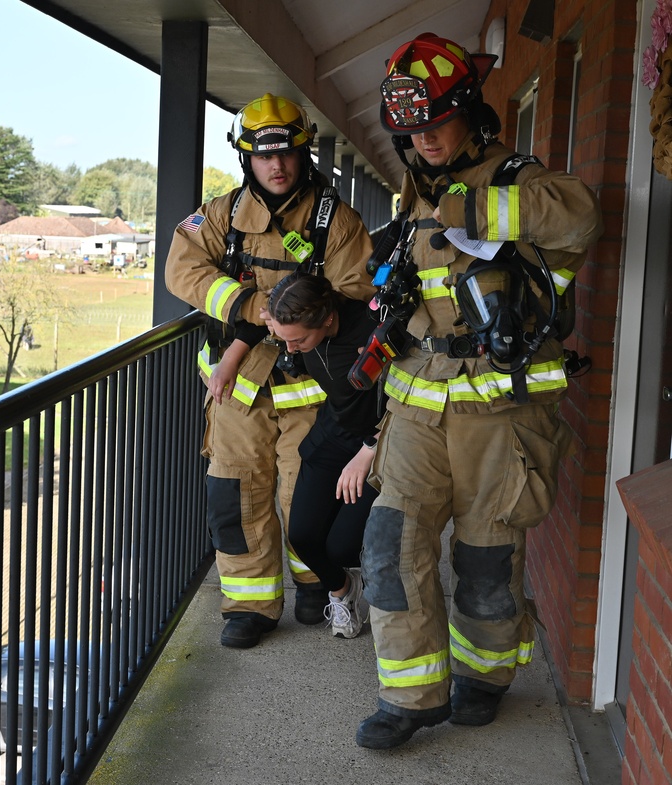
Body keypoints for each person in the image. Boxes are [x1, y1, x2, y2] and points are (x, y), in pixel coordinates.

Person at [354, 33, 603, 749]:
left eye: (436, 122)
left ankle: (486, 675)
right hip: (416, 406)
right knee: (389, 542)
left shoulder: (514, 179)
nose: (424, 138)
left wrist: (470, 212)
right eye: (412, 129)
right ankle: (409, 695)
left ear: (469, 111)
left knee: (486, 557)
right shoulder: (416, 190)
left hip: (501, 411)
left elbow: (581, 214)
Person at [165, 93, 375, 649]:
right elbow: (182, 268)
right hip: (236, 392)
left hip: (309, 389)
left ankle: (314, 585)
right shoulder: (220, 216)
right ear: (246, 158)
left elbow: (355, 293)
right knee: (237, 497)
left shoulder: (338, 221)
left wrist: (291, 309)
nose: (276, 166)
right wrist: (246, 304)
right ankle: (250, 605)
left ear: (303, 152)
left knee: (304, 493)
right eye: (262, 155)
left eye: (286, 154)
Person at [262, 271, 382, 639]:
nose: (291, 350)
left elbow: (406, 399)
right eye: (284, 340)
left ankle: (358, 577)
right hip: (333, 433)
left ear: (326, 318)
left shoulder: (371, 329)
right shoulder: (296, 333)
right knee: (302, 536)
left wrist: (370, 450)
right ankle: (343, 591)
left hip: (380, 440)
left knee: (342, 546)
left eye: (297, 340)